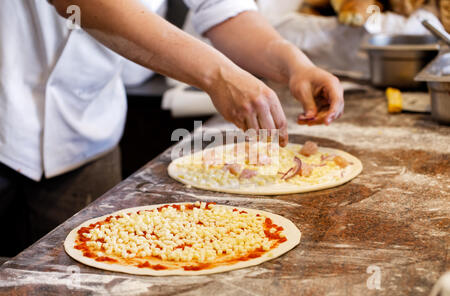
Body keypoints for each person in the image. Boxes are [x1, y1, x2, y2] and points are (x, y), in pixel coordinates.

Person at [0, 0, 343, 256]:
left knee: (91, 280)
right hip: (5, 119)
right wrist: (217, 74)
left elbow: (221, 8)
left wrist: (293, 64)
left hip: (85, 134)